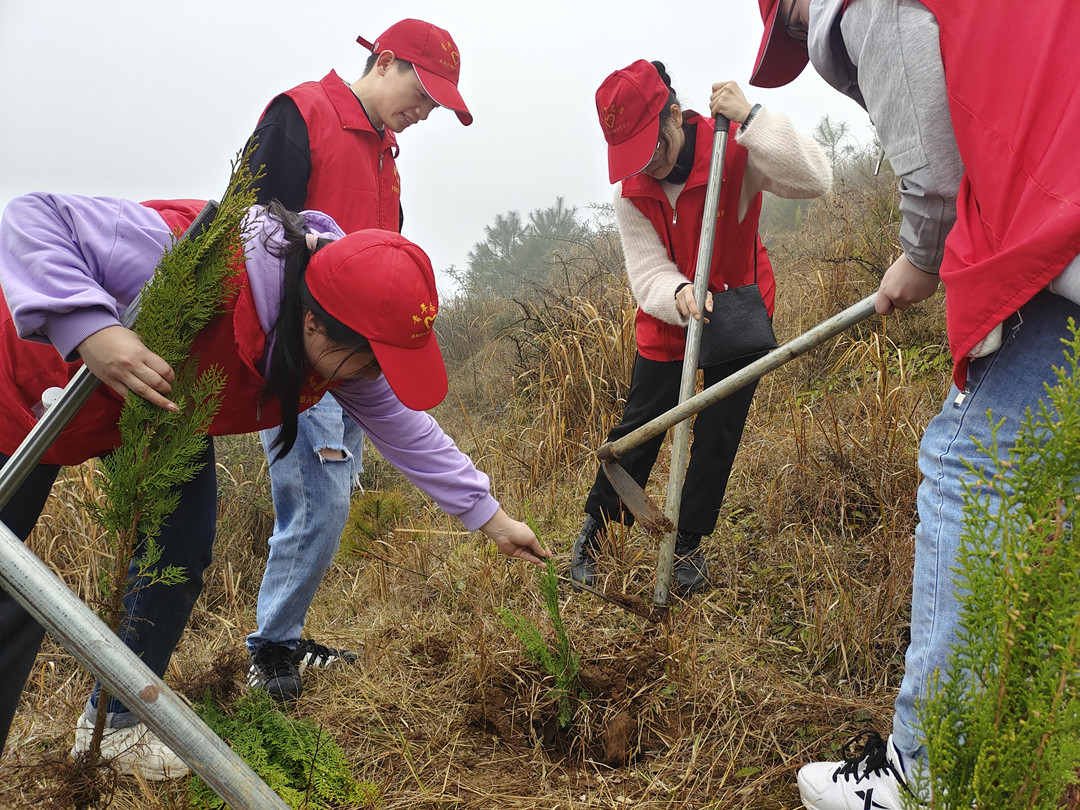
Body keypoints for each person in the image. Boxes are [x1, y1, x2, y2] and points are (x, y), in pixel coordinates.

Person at [0, 194, 550, 780]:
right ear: (313, 323)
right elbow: (31, 216)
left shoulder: (333, 346)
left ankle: (116, 726)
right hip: (25, 393)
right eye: (369, 362)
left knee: (180, 549)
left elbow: (409, 433)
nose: (373, 377)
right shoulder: (189, 256)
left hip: (152, 408)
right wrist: (93, 328)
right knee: (10, 591)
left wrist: (492, 519)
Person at [750, 1, 1080, 807]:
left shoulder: (859, 3)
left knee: (971, 468)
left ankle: (927, 775)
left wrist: (921, 255)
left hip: (1060, 223)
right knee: (1052, 483)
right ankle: (1021, 748)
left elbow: (933, 166)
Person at [243, 17, 473, 704]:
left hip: (358, 358)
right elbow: (252, 224)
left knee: (331, 499)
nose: (425, 110)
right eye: (422, 91)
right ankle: (271, 652)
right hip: (304, 349)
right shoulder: (300, 113)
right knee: (319, 498)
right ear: (385, 61)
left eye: (436, 104)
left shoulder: (385, 151)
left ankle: (284, 634)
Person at [571, 60, 830, 595]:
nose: (648, 165)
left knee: (717, 435)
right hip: (670, 318)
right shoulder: (630, 191)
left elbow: (816, 179)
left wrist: (753, 117)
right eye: (633, 158)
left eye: (655, 148)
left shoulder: (732, 147)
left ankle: (687, 543)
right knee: (637, 433)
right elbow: (646, 270)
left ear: (671, 114)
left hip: (737, 308)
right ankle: (596, 536)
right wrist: (679, 293)